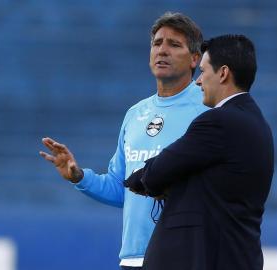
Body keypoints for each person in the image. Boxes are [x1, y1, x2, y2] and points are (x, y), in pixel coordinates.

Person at [39, 12, 207, 269]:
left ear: (195, 58)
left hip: (184, 255)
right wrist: (79, 176)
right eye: (157, 43)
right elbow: (122, 189)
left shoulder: (207, 109)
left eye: (174, 45)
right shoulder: (135, 114)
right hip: (133, 258)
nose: (162, 51)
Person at [124, 34, 274, 270]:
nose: (198, 81)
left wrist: (143, 178)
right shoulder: (258, 123)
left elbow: (157, 172)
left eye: (203, 72)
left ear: (223, 73)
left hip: (205, 258)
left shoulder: (218, 121)